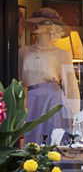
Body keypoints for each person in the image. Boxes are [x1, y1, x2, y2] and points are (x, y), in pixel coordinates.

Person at [20, 9, 79, 139]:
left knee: (53, 141)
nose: (36, 25)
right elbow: (19, 83)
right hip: (31, 100)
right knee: (33, 140)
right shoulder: (24, 52)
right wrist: (20, 108)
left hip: (53, 101)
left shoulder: (62, 54)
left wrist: (75, 115)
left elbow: (71, 86)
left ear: (50, 27)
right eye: (35, 22)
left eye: (41, 22)